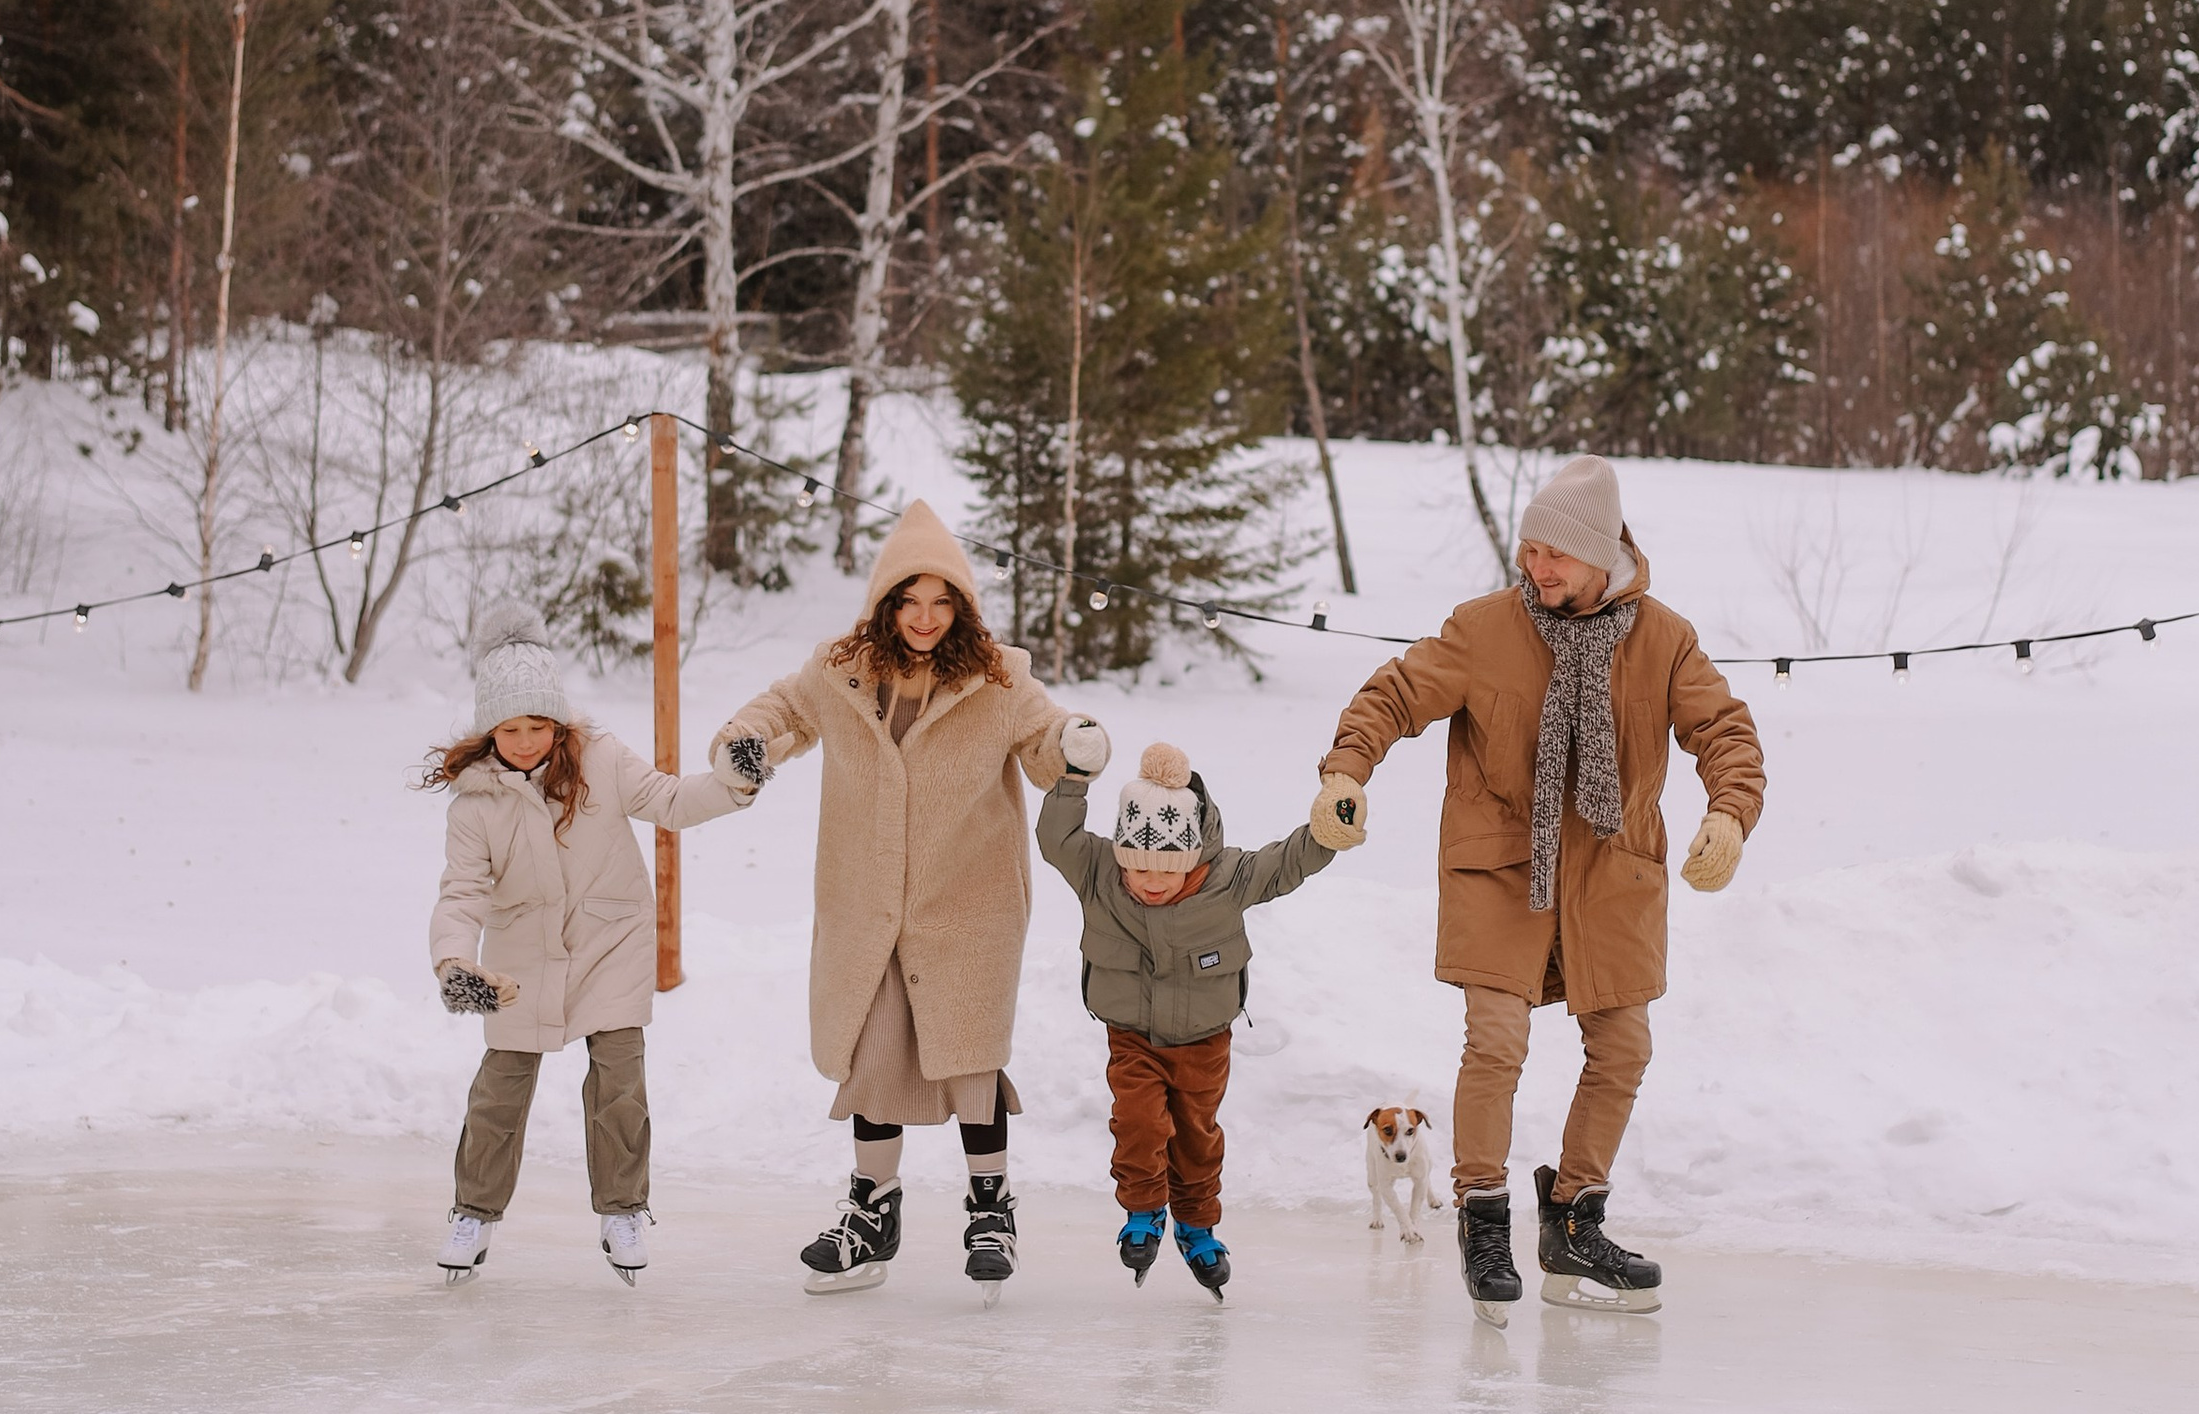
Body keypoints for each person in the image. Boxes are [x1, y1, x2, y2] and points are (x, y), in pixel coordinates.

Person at [1312, 455, 1762, 1315]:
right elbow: (1394, 694)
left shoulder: (1664, 639)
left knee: (1624, 1047)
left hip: (1611, 873)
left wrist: (1730, 813)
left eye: (1556, 552)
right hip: (1503, 868)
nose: (1538, 565)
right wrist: (1346, 771)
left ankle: (1574, 1221)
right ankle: (1483, 1216)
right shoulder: (1484, 630)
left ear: (1605, 555)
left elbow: (1726, 730)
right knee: (1497, 1040)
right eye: (1530, 546)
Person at [712, 500, 1108, 1297]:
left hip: (968, 902)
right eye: (908, 599)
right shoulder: (840, 669)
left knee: (970, 1056)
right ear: (885, 602)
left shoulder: (998, 675)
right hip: (867, 903)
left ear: (961, 606)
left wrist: (1073, 742)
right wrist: (746, 743)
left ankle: (990, 1210)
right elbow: (782, 711)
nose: (924, 618)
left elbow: (1041, 738)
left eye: (941, 601)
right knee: (875, 1054)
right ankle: (872, 1209)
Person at [424, 595, 757, 1284]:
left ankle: (622, 1209)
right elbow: (461, 892)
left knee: (619, 1083)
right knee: (499, 1093)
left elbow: (670, 799)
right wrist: (455, 961)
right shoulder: (475, 804)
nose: (524, 741)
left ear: (558, 720)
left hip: (610, 944)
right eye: (509, 728)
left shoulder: (600, 758)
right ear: (489, 730)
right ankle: (474, 1213)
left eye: (537, 725)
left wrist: (734, 782)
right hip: (520, 961)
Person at [1039, 737, 1356, 1301]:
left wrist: (1326, 833)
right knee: (1138, 1121)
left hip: (1205, 1041)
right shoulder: (1099, 875)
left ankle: (1196, 1223)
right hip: (1131, 1036)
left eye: (1165, 871)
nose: (1150, 882)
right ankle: (1142, 1212)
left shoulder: (1226, 879)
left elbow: (1283, 864)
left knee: (1196, 1135)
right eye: (1137, 869)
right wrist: (1072, 780)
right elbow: (1056, 838)